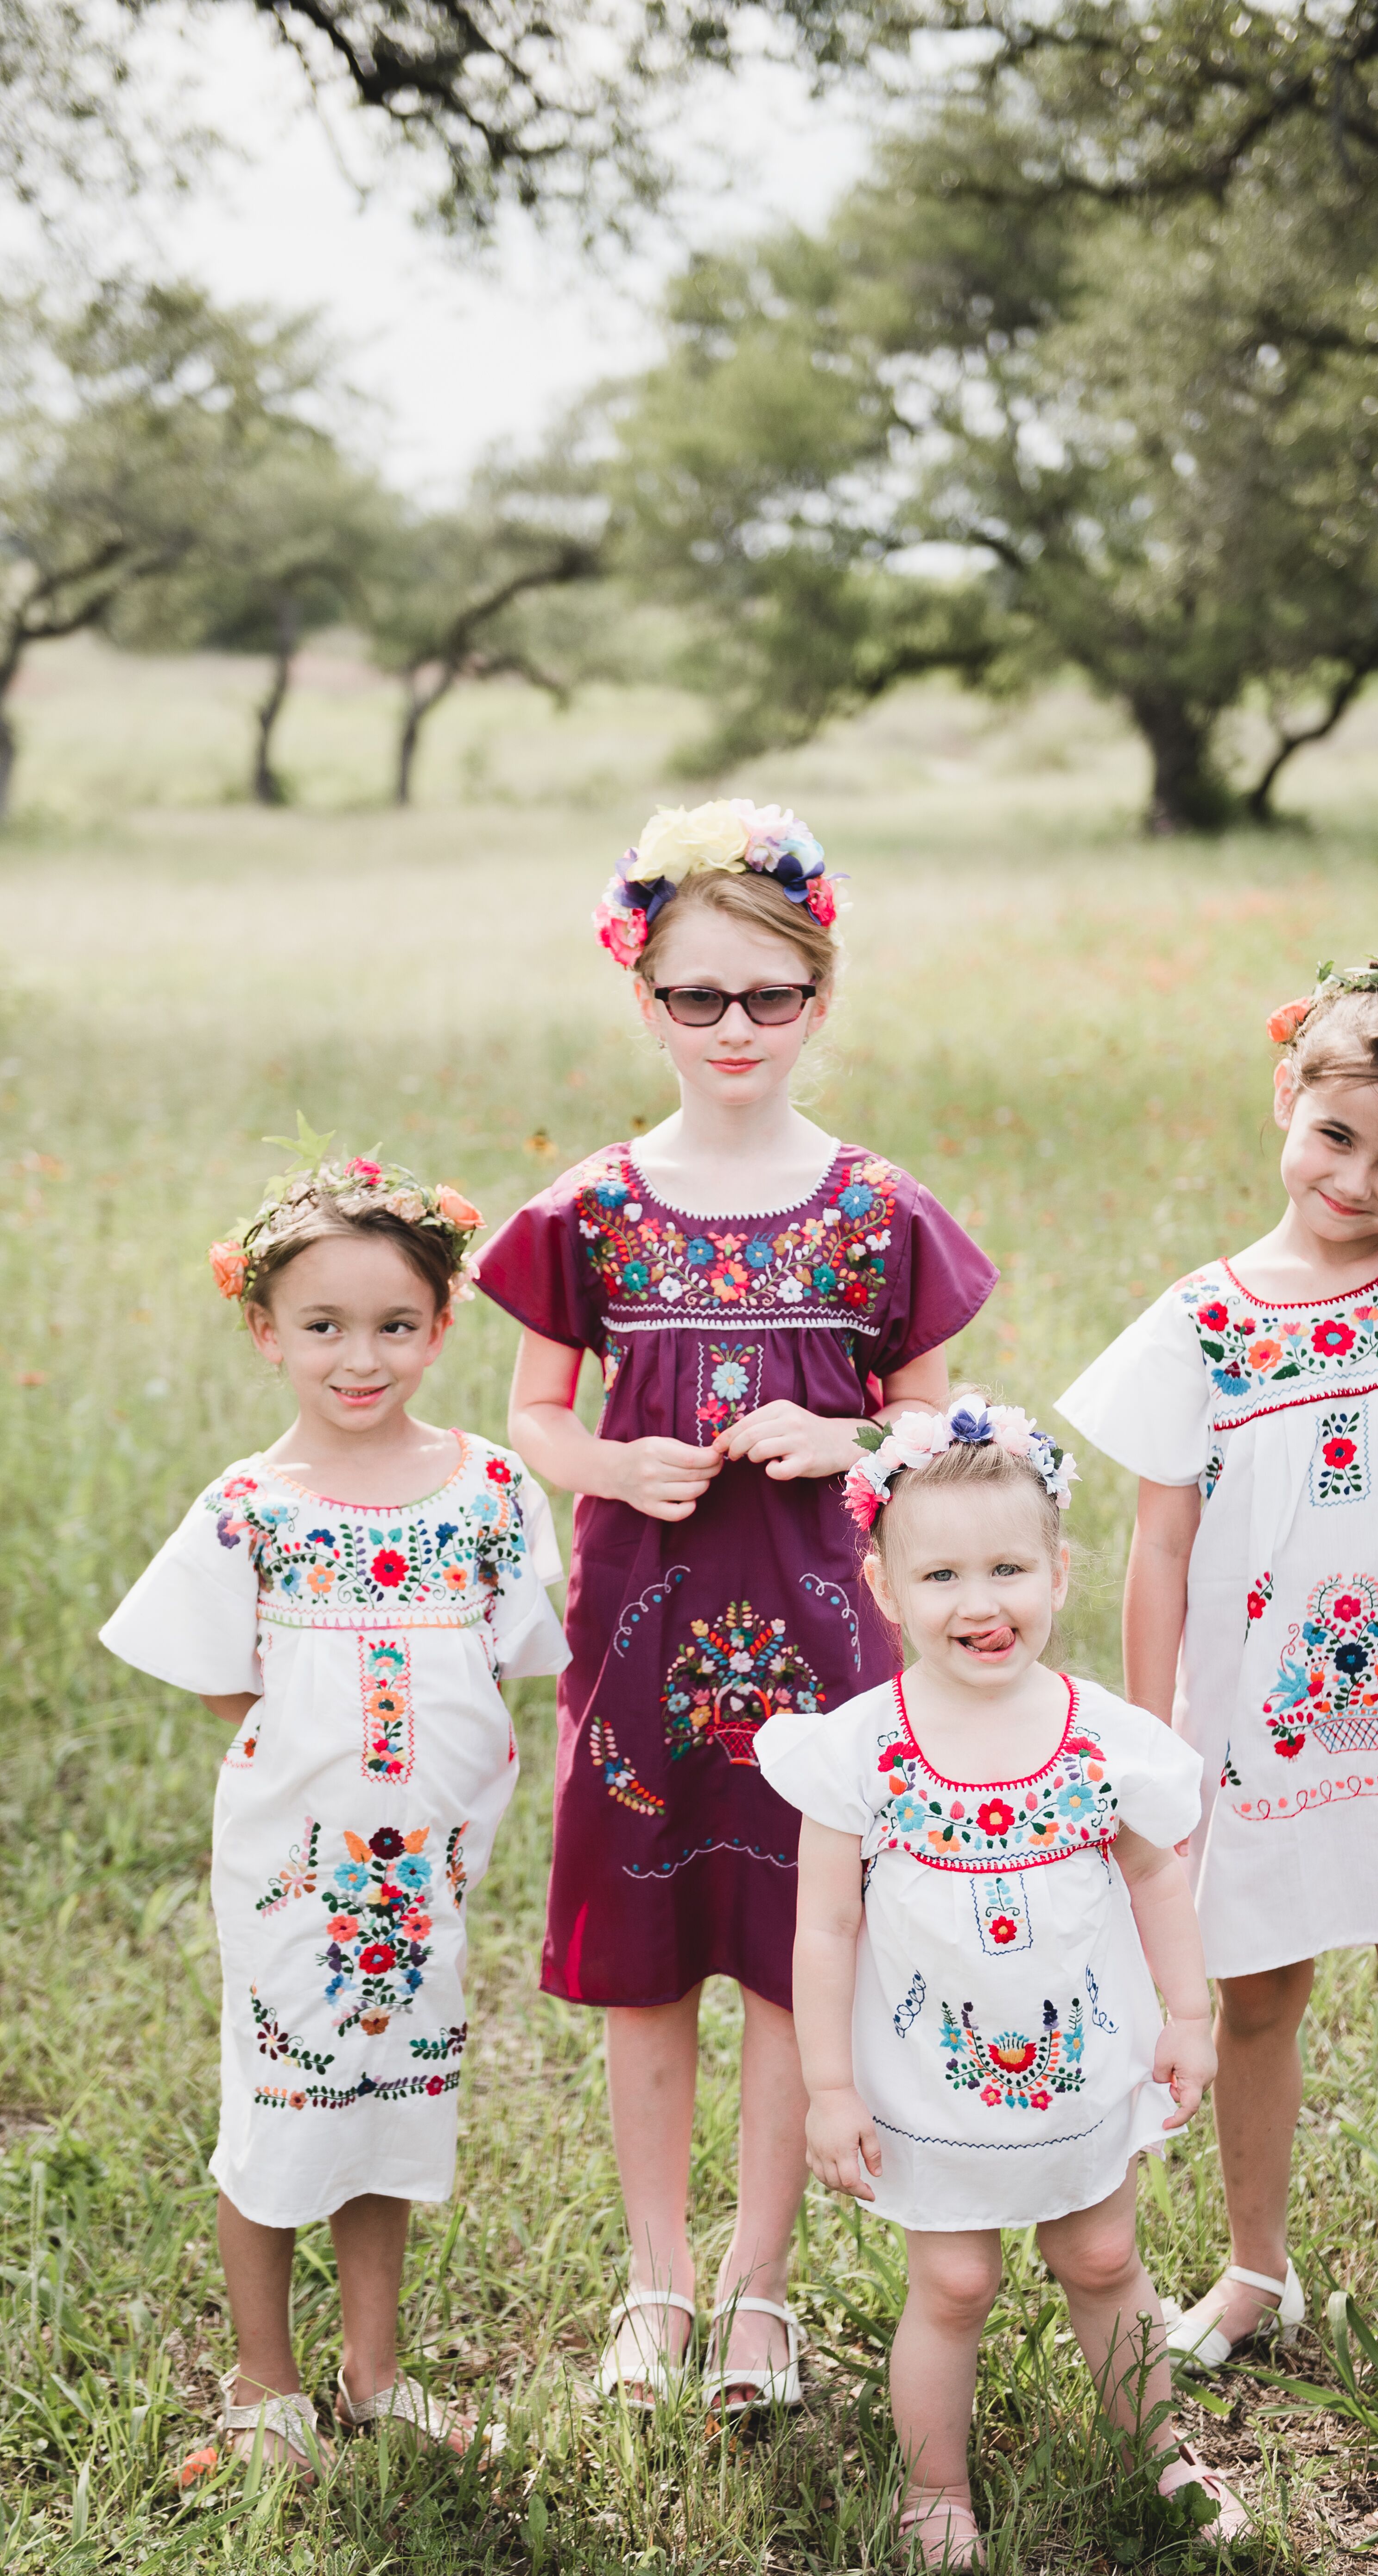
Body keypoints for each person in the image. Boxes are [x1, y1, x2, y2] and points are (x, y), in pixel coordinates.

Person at [474, 800, 996, 2414]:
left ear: (819, 997)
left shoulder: (875, 1207)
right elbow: (534, 1420)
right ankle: (655, 2281)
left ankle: (759, 2293)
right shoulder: (597, 1205)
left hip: (824, 1644)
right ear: (643, 995)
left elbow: (939, 1430)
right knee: (646, 1966)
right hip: (640, 1636)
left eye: (769, 996)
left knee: (791, 1955)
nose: (734, 1029)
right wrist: (613, 1465)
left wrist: (848, 1438)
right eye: (697, 996)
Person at [1058, 941, 1378, 2485]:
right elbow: (1157, 1544)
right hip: (1246, 1735)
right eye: (1336, 1133)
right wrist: (1147, 1751)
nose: (1358, 1177)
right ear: (1284, 1098)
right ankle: (1258, 2270)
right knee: (1257, 1999)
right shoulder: (1198, 1320)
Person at [101, 1130, 568, 2477]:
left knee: (389, 2103)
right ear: (264, 1332)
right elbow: (215, 1682)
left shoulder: (486, 1485)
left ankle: (374, 2373)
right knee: (281, 2095)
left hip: (427, 1876)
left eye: (392, 1325)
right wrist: (322, 1772)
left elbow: (508, 1658)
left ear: (440, 1326)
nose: (358, 1357)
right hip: (295, 1871)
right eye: (322, 1326)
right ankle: (263, 2391)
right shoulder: (252, 1506)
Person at [758, 1395, 1244, 2568]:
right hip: (932, 2081)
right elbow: (824, 1930)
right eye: (941, 1578)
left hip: (1079, 2064)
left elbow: (1156, 1881)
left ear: (1059, 1571)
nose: (979, 1605)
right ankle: (935, 2490)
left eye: (1008, 1569)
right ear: (883, 1587)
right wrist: (829, 2091)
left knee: (1103, 2258)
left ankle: (1161, 2451)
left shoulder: (1097, 1737)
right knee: (958, 2279)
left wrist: (1188, 2015)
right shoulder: (863, 1749)